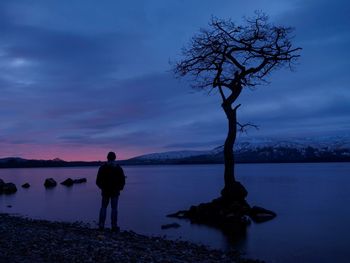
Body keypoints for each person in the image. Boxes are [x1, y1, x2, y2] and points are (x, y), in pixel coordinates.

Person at [96, 151, 125, 232]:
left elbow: (98, 181)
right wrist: (120, 188)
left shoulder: (102, 167)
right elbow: (122, 180)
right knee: (114, 208)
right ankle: (114, 226)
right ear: (115, 158)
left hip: (105, 191)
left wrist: (102, 187)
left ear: (107, 158)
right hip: (115, 192)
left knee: (103, 207)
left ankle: (101, 225)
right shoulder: (118, 168)